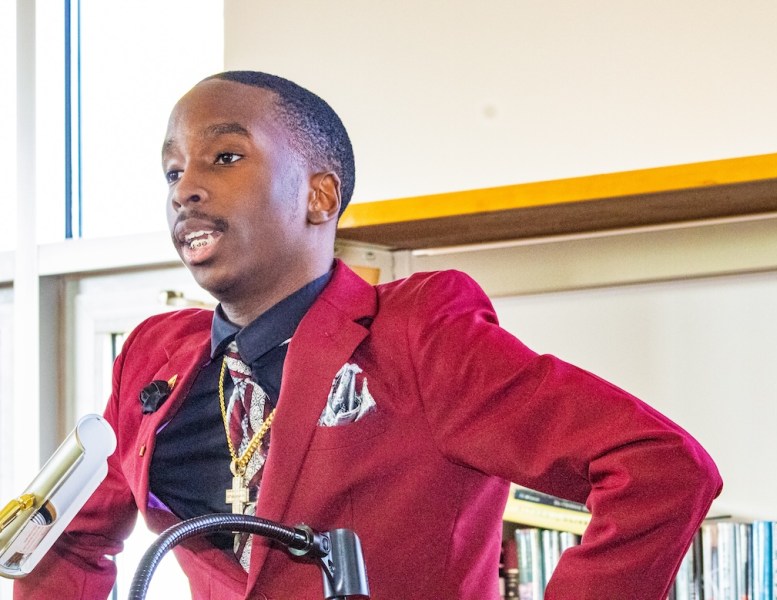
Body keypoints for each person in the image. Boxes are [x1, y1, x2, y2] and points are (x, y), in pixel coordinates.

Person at [15, 71, 722, 599]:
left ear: (320, 195)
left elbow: (660, 468)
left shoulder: (420, 334)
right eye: (173, 170)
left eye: (223, 159)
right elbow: (68, 540)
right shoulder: (152, 357)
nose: (184, 188)